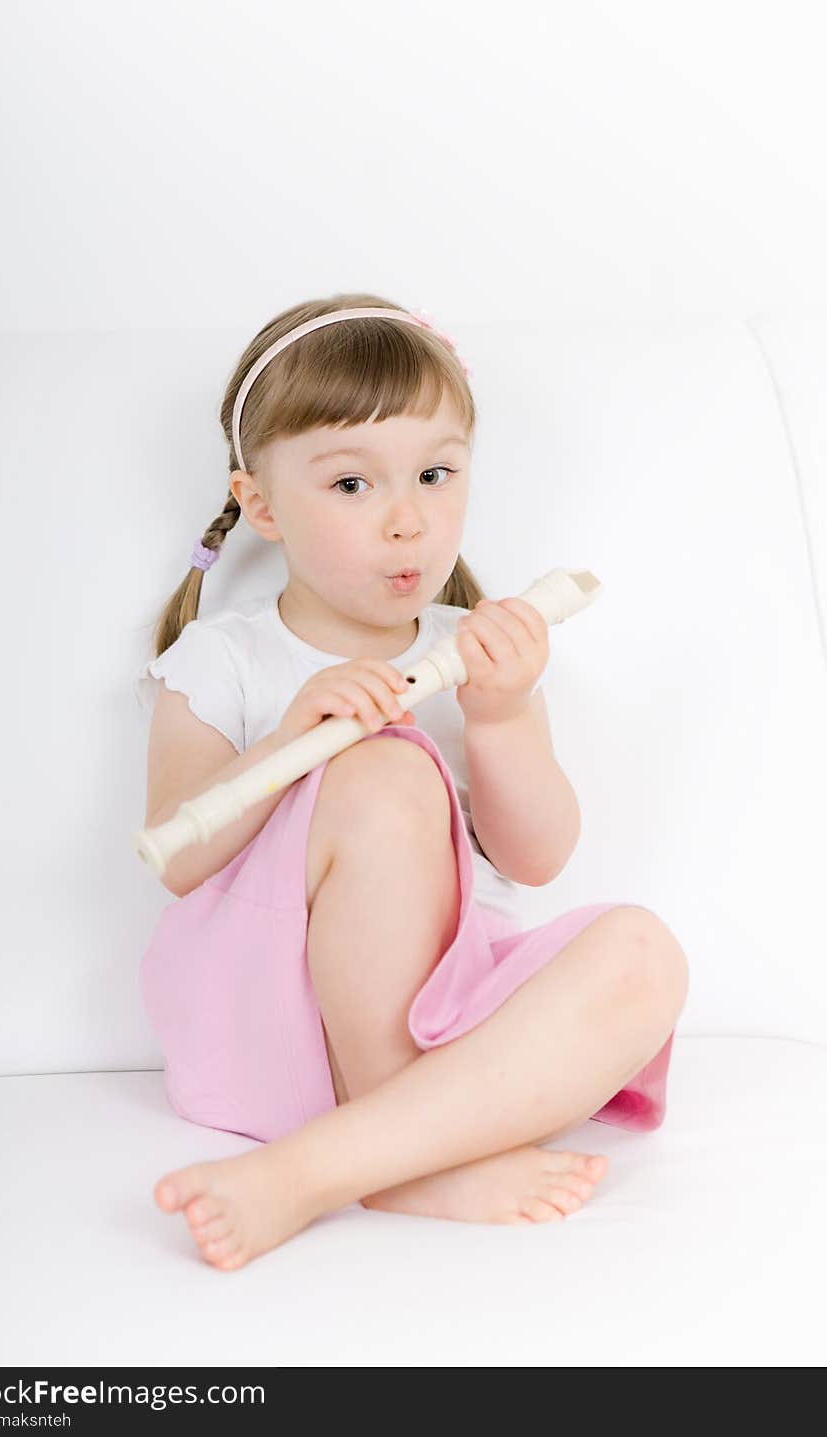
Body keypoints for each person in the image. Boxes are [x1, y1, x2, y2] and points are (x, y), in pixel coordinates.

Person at [133, 291, 690, 1273]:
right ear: (261, 505)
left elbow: (536, 858)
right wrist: (291, 740)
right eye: (351, 485)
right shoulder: (223, 657)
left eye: (434, 475)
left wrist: (502, 714)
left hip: (451, 1015)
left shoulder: (468, 652)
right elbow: (177, 859)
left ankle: (377, 1151)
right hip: (273, 1015)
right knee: (386, 773)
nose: (405, 521)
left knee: (645, 956)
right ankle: (376, 1160)